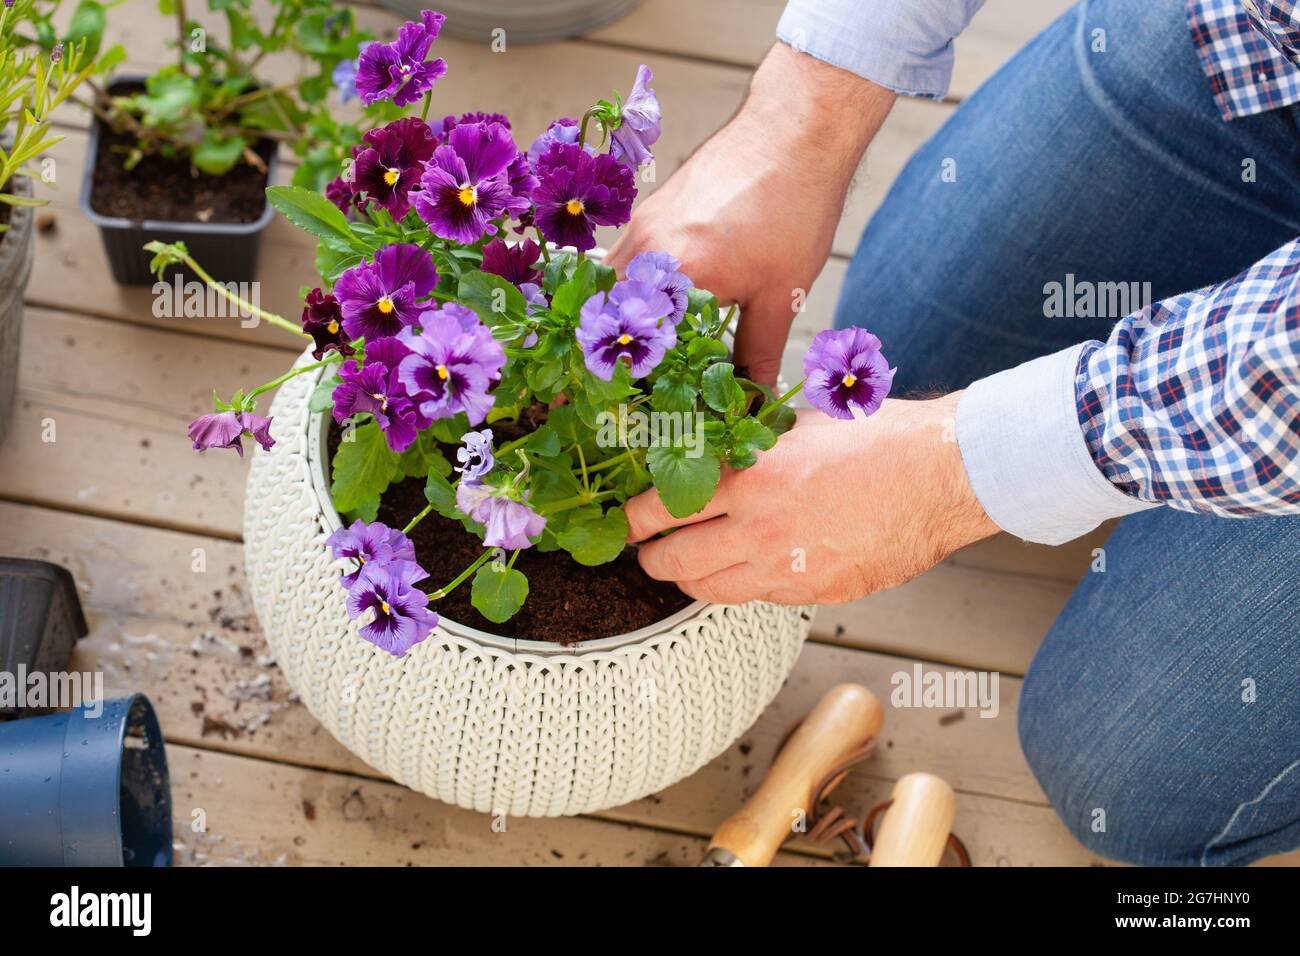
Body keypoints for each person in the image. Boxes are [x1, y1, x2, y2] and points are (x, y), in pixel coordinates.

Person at [609, 0, 1300, 866]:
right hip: (1260, 38)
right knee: (907, 350)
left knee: (1118, 772)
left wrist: (956, 470)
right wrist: (800, 120)